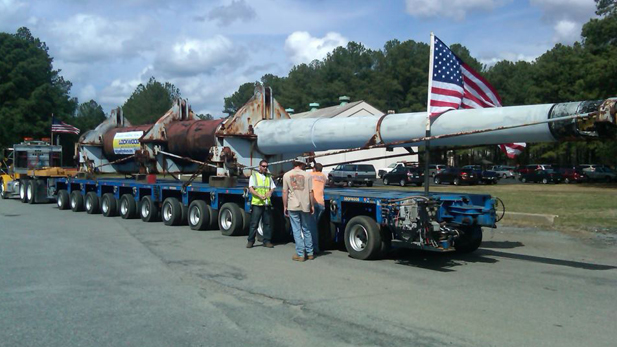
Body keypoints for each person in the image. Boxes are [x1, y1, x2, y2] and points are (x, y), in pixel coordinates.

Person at [282, 160, 314, 261]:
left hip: (293, 204)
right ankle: (310, 252)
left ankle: (300, 254)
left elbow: (284, 191)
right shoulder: (308, 175)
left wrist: (285, 206)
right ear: (301, 164)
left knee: (296, 230)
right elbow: (311, 192)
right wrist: (312, 205)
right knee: (306, 229)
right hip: (305, 205)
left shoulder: (287, 175)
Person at [247, 159, 275, 249]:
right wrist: (259, 195)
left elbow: (273, 187)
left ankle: (266, 241)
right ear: (259, 167)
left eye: (266, 166)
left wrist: (270, 192)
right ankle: (250, 241)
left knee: (267, 223)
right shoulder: (254, 176)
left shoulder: (268, 177)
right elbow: (251, 189)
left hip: (266, 203)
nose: (265, 168)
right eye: (263, 166)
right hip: (257, 203)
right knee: (254, 223)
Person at [309, 163, 327, 254]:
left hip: (314, 202)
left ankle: (313, 248)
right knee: (315, 225)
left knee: (311, 227)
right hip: (321, 204)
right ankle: (314, 246)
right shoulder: (324, 177)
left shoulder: (310, 175)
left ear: (314, 168)